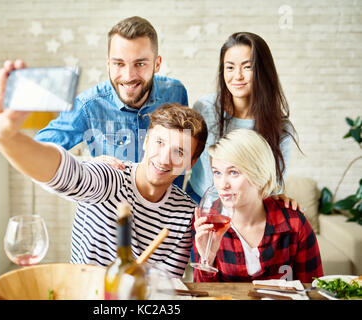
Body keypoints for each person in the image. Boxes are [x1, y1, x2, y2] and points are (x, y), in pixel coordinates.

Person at [0, 59, 208, 278]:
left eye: (179, 152)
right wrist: (6, 138)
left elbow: (165, 287)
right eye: (159, 143)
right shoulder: (111, 177)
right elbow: (61, 173)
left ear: (191, 163)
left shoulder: (186, 212)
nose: (165, 158)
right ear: (146, 141)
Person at [33, 16, 188, 187]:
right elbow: (36, 150)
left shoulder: (176, 93)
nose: (128, 76)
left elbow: (183, 151)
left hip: (166, 210)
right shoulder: (88, 105)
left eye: (140, 64)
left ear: (157, 64)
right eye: (119, 64)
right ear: (108, 64)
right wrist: (86, 168)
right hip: (111, 211)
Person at [192, 129, 323, 282]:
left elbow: (315, 290)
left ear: (260, 175)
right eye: (217, 172)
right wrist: (207, 258)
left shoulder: (295, 224)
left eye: (233, 172)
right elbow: (202, 296)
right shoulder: (208, 224)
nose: (222, 185)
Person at [186, 32, 300, 207]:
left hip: (245, 210)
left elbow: (273, 186)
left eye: (247, 67)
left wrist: (280, 199)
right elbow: (185, 157)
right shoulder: (204, 108)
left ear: (263, 71)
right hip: (198, 201)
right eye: (230, 67)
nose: (237, 76)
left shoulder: (281, 128)